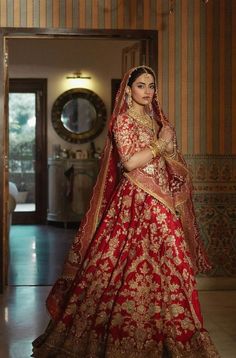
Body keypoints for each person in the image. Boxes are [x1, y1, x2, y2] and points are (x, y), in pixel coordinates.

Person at [32, 66, 220, 357]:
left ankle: (171, 335)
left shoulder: (156, 121)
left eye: (152, 86)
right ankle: (122, 333)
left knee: (174, 263)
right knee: (119, 267)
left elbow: (168, 162)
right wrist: (161, 143)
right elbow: (131, 163)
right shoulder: (122, 121)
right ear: (129, 90)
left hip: (161, 201)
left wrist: (167, 145)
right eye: (141, 85)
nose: (148, 91)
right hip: (133, 201)